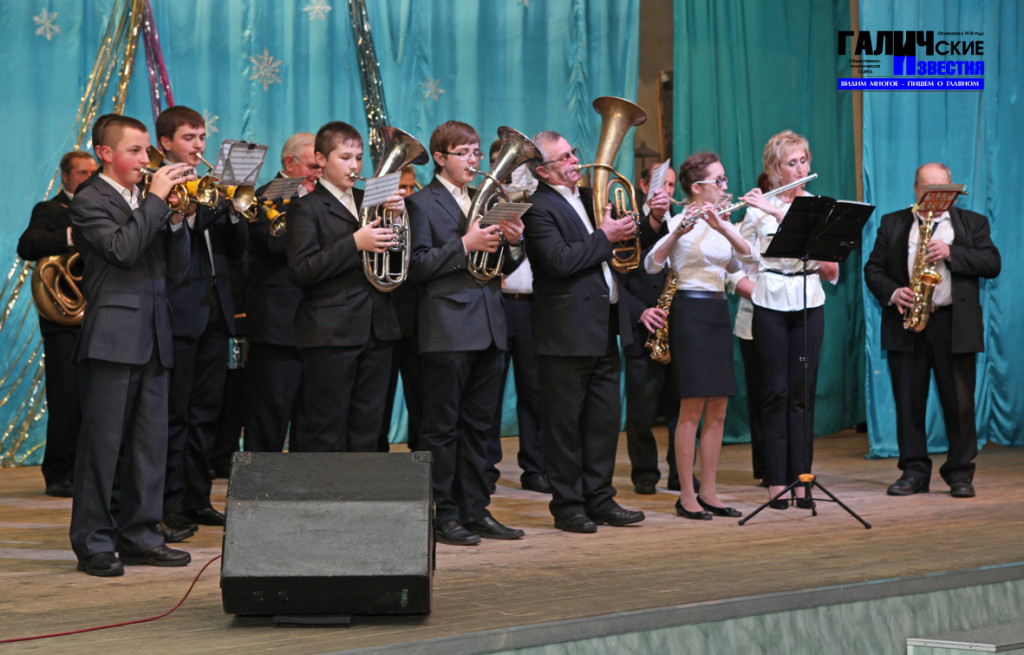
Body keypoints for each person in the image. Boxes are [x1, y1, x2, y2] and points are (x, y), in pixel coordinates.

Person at [69, 114, 194, 576]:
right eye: (135, 151)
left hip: (154, 335)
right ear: (105, 154)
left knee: (149, 446)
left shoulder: (147, 200)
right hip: (112, 338)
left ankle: (141, 535)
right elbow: (122, 249)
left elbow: (177, 270)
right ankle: (94, 542)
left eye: (147, 150)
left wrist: (177, 220)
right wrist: (157, 201)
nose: (147, 159)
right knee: (101, 448)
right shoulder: (90, 199)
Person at [407, 120, 526, 546]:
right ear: (440, 158)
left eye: (476, 152)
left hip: (490, 325)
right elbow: (416, 265)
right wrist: (464, 244)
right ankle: (442, 514)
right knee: (441, 428)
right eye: (464, 153)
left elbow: (503, 266)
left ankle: (476, 510)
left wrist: (514, 242)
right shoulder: (420, 203)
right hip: (447, 327)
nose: (473, 161)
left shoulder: (486, 198)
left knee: (480, 427)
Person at [523, 130, 645, 534]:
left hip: (604, 326)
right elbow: (558, 261)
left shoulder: (594, 198)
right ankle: (568, 506)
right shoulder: (537, 208)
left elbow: (618, 247)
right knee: (564, 426)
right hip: (565, 331)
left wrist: (634, 225)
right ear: (543, 171)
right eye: (564, 157)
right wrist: (605, 236)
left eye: (573, 153)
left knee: (603, 423)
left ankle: (600, 498)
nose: (575, 160)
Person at [864, 162, 1000, 498]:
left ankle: (960, 473)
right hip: (908, 323)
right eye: (929, 190)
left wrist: (952, 252)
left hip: (954, 323)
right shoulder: (893, 222)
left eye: (944, 190)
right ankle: (914, 472)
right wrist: (894, 292)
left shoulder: (972, 223)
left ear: (953, 190)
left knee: (960, 404)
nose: (937, 197)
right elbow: (873, 269)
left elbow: (992, 263)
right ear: (916, 190)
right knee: (908, 402)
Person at [646, 153, 755, 519]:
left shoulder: (724, 221)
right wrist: (679, 231)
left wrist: (723, 227)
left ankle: (709, 491)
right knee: (691, 407)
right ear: (697, 187)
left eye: (725, 180)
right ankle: (687, 494)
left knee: (718, 407)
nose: (725, 187)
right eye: (718, 181)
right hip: (689, 312)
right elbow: (652, 264)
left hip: (717, 311)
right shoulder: (677, 220)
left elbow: (747, 259)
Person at [285, 121, 403, 453]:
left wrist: (399, 220)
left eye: (359, 158)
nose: (355, 166)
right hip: (331, 333)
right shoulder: (305, 206)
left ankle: (361, 488)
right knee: (327, 428)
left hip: (378, 329)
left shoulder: (371, 200)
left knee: (368, 426)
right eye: (345, 157)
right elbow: (301, 270)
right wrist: (355, 243)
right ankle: (327, 489)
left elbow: (397, 262)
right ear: (321, 160)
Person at [157, 105, 248, 532]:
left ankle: (197, 499)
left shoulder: (208, 183)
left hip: (215, 310)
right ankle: (168, 503)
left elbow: (237, 248)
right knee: (175, 414)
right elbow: (176, 241)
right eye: (189, 138)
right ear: (166, 143)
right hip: (178, 313)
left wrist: (234, 207)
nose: (198, 145)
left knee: (206, 413)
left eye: (201, 137)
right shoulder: (158, 185)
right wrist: (197, 204)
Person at [740, 130, 838, 509]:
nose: (800, 168)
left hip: (809, 301)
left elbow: (830, 267)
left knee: (802, 396)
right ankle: (776, 481)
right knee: (775, 394)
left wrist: (780, 214)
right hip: (769, 304)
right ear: (775, 169)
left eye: (803, 160)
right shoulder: (756, 208)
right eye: (791, 163)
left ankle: (802, 481)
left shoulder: (818, 207)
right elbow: (740, 259)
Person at [17, 151, 97, 497]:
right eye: (82, 173)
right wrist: (70, 236)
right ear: (65, 177)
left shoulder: (102, 208)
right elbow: (27, 245)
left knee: (94, 397)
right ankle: (58, 472)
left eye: (93, 172)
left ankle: (85, 470)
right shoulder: (49, 210)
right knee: (66, 397)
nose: (89, 178)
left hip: (98, 314)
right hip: (63, 318)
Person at [243, 132, 321, 454]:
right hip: (277, 327)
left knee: (310, 418)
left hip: (316, 326)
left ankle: (302, 483)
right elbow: (273, 243)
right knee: (269, 417)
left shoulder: (320, 197)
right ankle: (259, 482)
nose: (319, 172)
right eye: (314, 166)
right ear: (290, 163)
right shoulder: (267, 194)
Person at [481, 138, 549, 494]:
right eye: (502, 163)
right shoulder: (484, 201)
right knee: (489, 391)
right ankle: (485, 468)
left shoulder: (539, 202)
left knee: (535, 391)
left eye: (516, 164)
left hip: (533, 305)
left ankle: (535, 468)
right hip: (498, 303)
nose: (509, 170)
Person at [620, 162, 680, 494]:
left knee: (680, 408)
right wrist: (640, 312)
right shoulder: (629, 224)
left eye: (672, 185)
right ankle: (644, 471)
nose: (667, 192)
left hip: (678, 328)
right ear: (644, 186)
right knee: (641, 410)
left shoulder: (682, 222)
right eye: (661, 184)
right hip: (643, 328)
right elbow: (617, 279)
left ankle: (680, 471)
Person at [378, 165, 424, 453]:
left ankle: (421, 458)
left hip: (416, 321)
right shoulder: (373, 215)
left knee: (420, 396)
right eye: (400, 187)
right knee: (378, 398)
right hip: (382, 322)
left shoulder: (419, 212)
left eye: (410, 186)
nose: (406, 193)